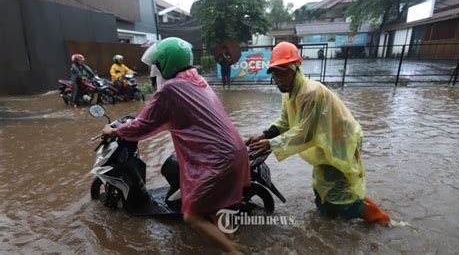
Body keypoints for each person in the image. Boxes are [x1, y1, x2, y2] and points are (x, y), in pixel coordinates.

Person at [102, 37, 250, 253]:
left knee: (191, 216)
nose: (157, 69)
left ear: (166, 63)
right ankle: (232, 240)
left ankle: (234, 252)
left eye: (158, 64)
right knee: (215, 207)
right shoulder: (197, 81)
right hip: (234, 151)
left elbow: (144, 124)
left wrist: (115, 130)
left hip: (216, 158)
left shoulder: (171, 89)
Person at [246, 42, 390, 226]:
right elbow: (286, 122)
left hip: (341, 141)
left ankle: (380, 219)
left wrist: (271, 144)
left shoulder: (310, 92)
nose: (278, 78)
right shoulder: (289, 93)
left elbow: (304, 134)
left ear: (296, 68)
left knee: (344, 198)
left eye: (283, 72)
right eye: (274, 73)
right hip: (323, 142)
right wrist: (264, 135)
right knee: (322, 188)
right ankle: (329, 222)